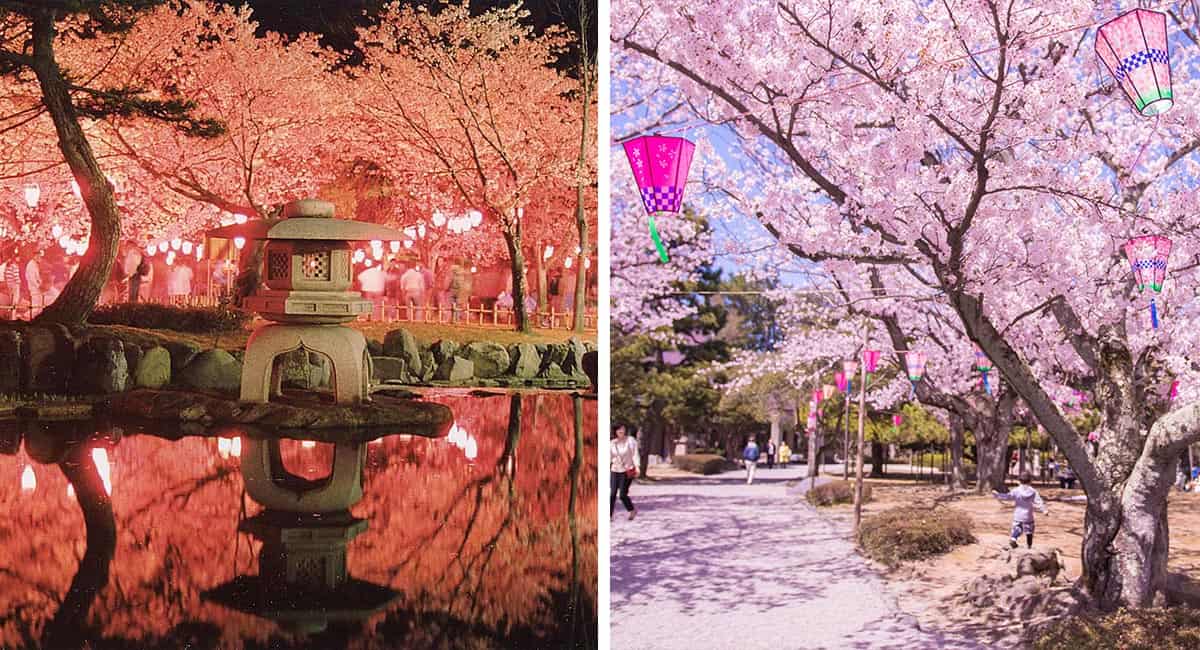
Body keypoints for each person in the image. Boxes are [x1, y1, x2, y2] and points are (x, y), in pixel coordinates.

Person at [993, 473, 1050, 549]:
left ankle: (1013, 539)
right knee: (1029, 531)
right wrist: (1044, 510)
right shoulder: (1033, 491)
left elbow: (1008, 497)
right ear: (1030, 481)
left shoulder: (1016, 490)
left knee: (1017, 528)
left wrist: (998, 495)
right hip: (1028, 515)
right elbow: (1038, 501)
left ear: (1019, 481)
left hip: (1018, 515)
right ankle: (1029, 546)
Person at [610, 425, 638, 520]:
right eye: (619, 429)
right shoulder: (612, 443)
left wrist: (637, 467)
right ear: (615, 431)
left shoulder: (630, 441)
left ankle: (632, 510)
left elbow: (635, 454)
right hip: (614, 469)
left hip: (626, 470)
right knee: (612, 494)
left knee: (622, 495)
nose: (621, 431)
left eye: (623, 429)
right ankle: (609, 515)